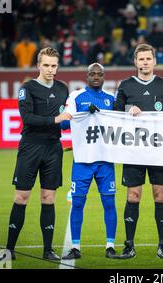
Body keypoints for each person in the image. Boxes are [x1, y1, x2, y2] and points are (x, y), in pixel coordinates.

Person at [0, 47, 72, 262]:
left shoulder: (62, 89)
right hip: (30, 147)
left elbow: (65, 121)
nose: (50, 69)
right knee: (22, 197)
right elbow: (27, 118)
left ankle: (48, 249)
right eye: (46, 65)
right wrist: (56, 120)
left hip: (53, 148)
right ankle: (9, 249)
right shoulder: (27, 88)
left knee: (48, 198)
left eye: (54, 65)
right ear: (39, 65)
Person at [114, 43, 163, 259]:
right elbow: (113, 115)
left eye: (148, 59)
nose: (145, 62)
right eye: (141, 59)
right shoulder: (125, 86)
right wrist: (126, 110)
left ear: (154, 61)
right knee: (133, 195)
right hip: (133, 150)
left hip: (158, 150)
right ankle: (129, 245)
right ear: (135, 62)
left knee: (160, 195)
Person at [60, 63, 119, 259]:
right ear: (87, 76)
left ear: (104, 77)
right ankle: (76, 247)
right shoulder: (76, 97)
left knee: (109, 202)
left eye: (99, 74)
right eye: (92, 74)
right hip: (83, 160)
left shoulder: (112, 99)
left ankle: (110, 246)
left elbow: (125, 123)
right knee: (77, 203)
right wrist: (78, 116)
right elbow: (65, 124)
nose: (96, 77)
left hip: (105, 160)